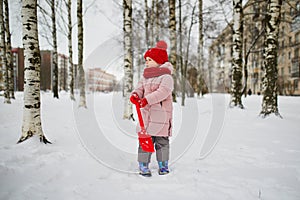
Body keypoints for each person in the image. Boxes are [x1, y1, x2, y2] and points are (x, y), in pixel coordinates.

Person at [130, 40, 174, 177]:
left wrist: (146, 100)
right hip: (146, 117)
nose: (147, 62)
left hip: (161, 116)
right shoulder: (145, 77)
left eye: (149, 59)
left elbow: (163, 92)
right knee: (144, 141)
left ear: (158, 60)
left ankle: (163, 164)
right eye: (146, 60)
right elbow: (140, 88)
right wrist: (136, 95)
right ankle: (143, 165)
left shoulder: (166, 77)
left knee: (162, 142)